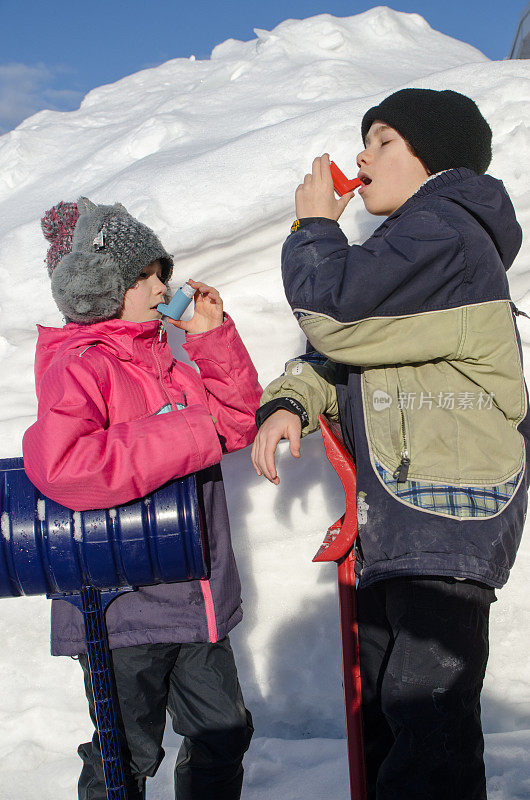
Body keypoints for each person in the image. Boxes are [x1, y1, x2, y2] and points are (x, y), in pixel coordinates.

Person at [251, 88, 529, 800]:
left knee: (424, 713)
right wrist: (293, 400)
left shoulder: (446, 232)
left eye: (381, 141)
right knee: (387, 705)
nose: (362, 157)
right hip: (407, 513)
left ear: (428, 154)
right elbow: (350, 354)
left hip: (449, 507)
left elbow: (337, 314)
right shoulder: (415, 244)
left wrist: (314, 224)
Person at [23, 196, 261, 800]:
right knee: (125, 753)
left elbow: (235, 424)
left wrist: (211, 343)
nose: (163, 286)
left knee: (223, 734)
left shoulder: (170, 364)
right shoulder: (80, 366)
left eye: (161, 273)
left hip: (195, 599)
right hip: (119, 609)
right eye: (145, 276)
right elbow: (63, 464)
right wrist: (187, 431)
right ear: (103, 290)